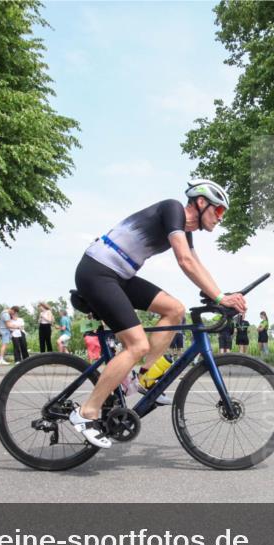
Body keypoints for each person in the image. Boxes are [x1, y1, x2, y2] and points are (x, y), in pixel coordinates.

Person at [69, 179, 246, 448]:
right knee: (137, 344)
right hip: (98, 272)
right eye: (218, 210)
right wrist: (221, 297)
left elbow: (196, 264)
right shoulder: (172, 209)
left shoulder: (185, 231)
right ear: (201, 203)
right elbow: (184, 261)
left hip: (119, 276)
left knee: (175, 310)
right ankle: (86, 413)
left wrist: (220, 296)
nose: (220, 218)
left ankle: (143, 377)